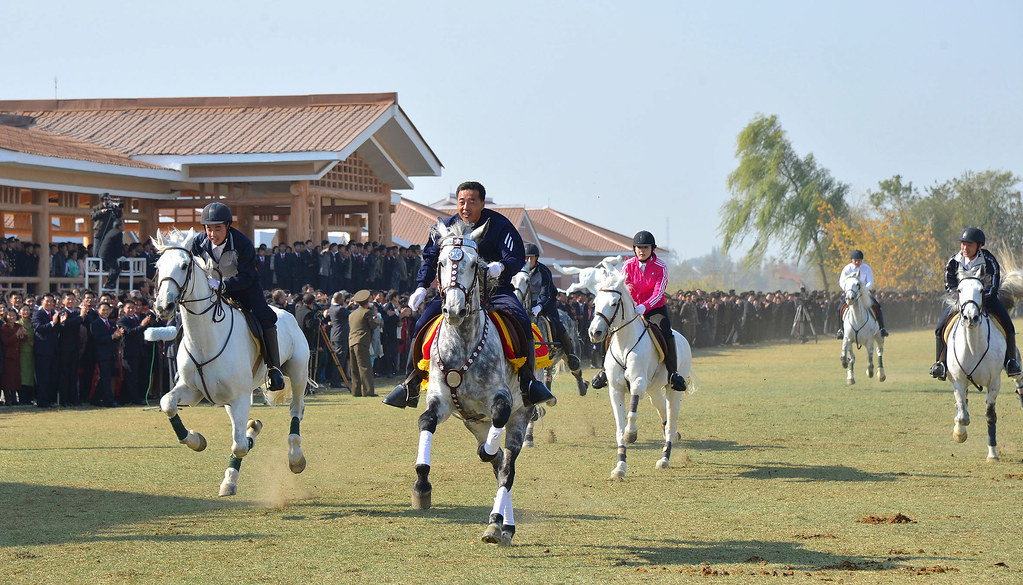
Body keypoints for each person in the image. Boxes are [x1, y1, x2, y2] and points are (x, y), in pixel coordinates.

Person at [382, 181, 556, 409]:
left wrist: (501, 267)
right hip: (455, 292)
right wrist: (421, 287)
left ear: (482, 203)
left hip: (495, 290)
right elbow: (431, 258)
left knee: (521, 320)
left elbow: (515, 257)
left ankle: (529, 382)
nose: (466, 207)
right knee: (422, 323)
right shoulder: (446, 227)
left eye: (472, 202)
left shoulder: (501, 226)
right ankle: (410, 383)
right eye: (461, 202)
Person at [190, 202, 286, 391]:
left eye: (217, 229)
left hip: (244, 288)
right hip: (210, 290)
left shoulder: (242, 243)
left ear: (228, 226)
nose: (212, 234)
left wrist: (224, 285)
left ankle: (274, 369)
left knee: (264, 315)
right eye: (209, 229)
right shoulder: (198, 243)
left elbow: (248, 276)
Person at [592, 231, 687, 392]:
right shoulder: (628, 266)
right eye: (638, 247)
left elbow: (659, 292)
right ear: (634, 249)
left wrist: (644, 306)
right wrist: (632, 305)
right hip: (630, 309)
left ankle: (673, 373)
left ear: (652, 249)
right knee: (610, 330)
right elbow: (623, 287)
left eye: (645, 247)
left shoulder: (661, 267)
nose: (642, 250)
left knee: (665, 330)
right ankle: (603, 371)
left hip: (654, 308)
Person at [930, 227, 1020, 380]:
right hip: (960, 303)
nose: (965, 248)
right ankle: (940, 364)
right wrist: (963, 299)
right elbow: (949, 283)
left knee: (1008, 326)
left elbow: (993, 284)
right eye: (963, 244)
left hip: (987, 301)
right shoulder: (953, 261)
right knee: (939, 329)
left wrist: (979, 299)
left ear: (979, 246)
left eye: (969, 245)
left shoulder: (989, 260)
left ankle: (1011, 362)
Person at [522, 242, 586, 381]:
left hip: (546, 303)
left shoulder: (544, 271)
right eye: (525, 257)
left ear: (536, 258)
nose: (527, 261)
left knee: (555, 323)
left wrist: (539, 306)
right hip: (526, 304)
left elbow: (545, 293)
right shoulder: (519, 271)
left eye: (530, 258)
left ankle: (571, 355)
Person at [835, 249, 888, 339]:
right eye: (855, 260)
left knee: (877, 306)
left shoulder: (866, 268)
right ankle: (840, 330)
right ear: (851, 260)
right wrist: (848, 290)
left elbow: (870, 281)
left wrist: (864, 289)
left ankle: (882, 328)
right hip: (851, 294)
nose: (857, 262)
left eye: (859, 260)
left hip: (864, 293)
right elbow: (841, 281)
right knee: (839, 309)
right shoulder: (847, 269)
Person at [91, 301, 123, 407]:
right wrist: (112, 337)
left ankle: (95, 399)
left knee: (106, 377)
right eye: (103, 310)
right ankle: (108, 401)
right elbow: (97, 339)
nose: (105, 312)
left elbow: (115, 338)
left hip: (112, 354)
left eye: (107, 310)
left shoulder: (112, 324)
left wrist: (118, 335)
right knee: (105, 378)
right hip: (101, 354)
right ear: (98, 310)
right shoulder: (95, 323)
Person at [348, 289, 378, 397]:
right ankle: (368, 391)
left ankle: (356, 391)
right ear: (367, 302)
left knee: (354, 368)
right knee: (365, 367)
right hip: (362, 342)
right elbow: (372, 326)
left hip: (351, 341)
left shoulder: (352, 314)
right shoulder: (366, 312)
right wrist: (376, 322)